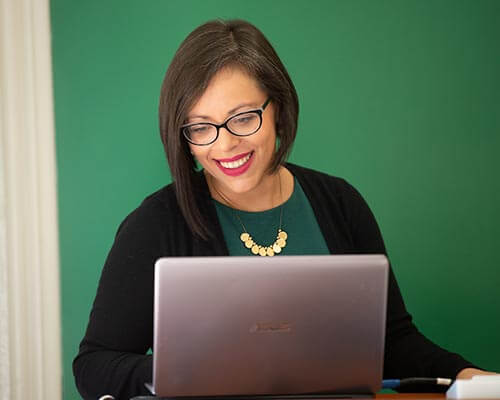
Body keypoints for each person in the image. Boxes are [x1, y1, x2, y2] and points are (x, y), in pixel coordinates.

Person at [73, 19, 495, 400]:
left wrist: (468, 375)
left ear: (277, 108)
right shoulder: (155, 224)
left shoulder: (341, 204)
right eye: (200, 127)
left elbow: (394, 343)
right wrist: (190, 373)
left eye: (242, 118)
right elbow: (94, 367)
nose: (224, 144)